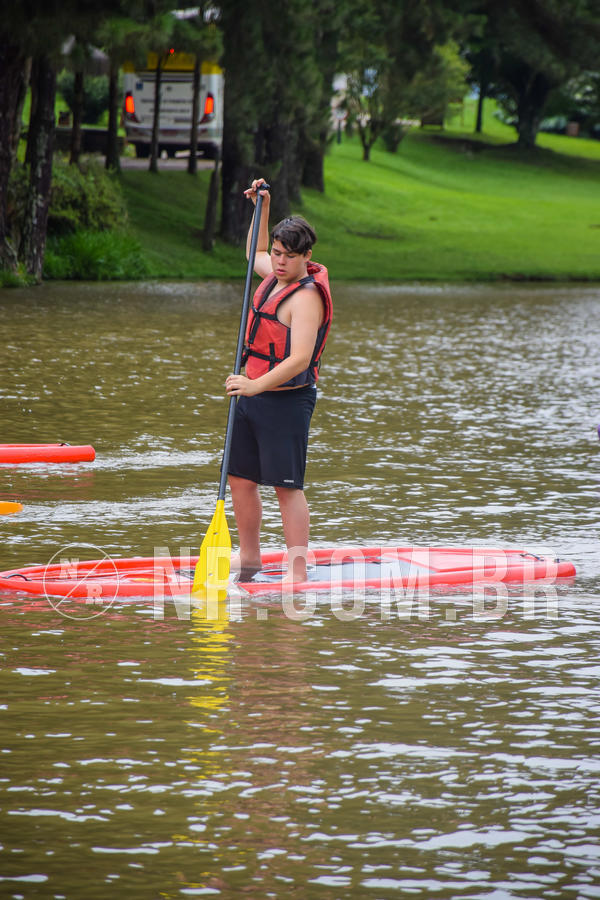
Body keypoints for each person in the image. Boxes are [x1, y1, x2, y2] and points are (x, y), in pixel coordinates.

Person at [225, 179, 333, 584]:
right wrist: (263, 206)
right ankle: (250, 558)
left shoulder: (306, 298)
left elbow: (300, 358)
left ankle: (297, 571)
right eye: (277, 253)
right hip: (251, 393)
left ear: (307, 256)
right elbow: (254, 251)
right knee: (241, 479)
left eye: (289, 256)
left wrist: (255, 386)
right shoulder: (272, 273)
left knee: (285, 487)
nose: (279, 261)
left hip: (286, 400)